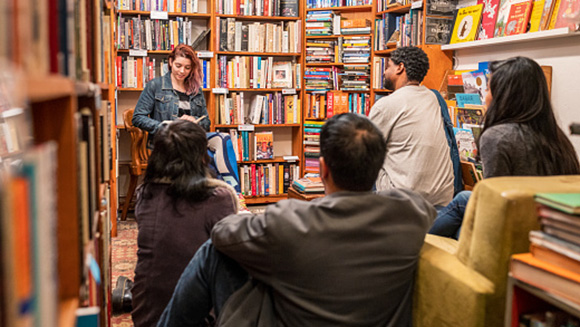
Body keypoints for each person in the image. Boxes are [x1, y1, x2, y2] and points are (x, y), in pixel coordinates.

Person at [157, 113, 436, 327]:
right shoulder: (412, 213)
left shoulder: (290, 220)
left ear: (323, 169)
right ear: (377, 167)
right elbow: (434, 209)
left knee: (213, 254)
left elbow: (222, 233)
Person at [429, 56, 580, 240]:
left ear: (504, 95)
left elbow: (494, 206)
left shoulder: (498, 137)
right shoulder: (557, 136)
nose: (484, 96)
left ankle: (406, 240)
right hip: (550, 227)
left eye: (487, 88)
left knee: (459, 204)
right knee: (460, 201)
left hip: (514, 229)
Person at [130, 120, 240, 327]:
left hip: (145, 315)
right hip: (195, 318)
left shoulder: (144, 195)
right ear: (201, 157)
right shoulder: (217, 197)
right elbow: (235, 253)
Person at [368, 46, 456, 207]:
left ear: (400, 67)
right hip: (442, 200)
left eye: (388, 67)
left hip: (403, 203)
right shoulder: (433, 98)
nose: (384, 72)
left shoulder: (386, 104)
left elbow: (365, 153)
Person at [132, 44, 210, 146]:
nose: (182, 71)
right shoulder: (155, 85)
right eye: (178, 66)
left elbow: (207, 122)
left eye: (187, 68)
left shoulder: (196, 90)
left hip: (191, 145)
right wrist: (165, 126)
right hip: (165, 145)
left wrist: (195, 120)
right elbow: (138, 118)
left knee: (220, 141)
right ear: (170, 62)